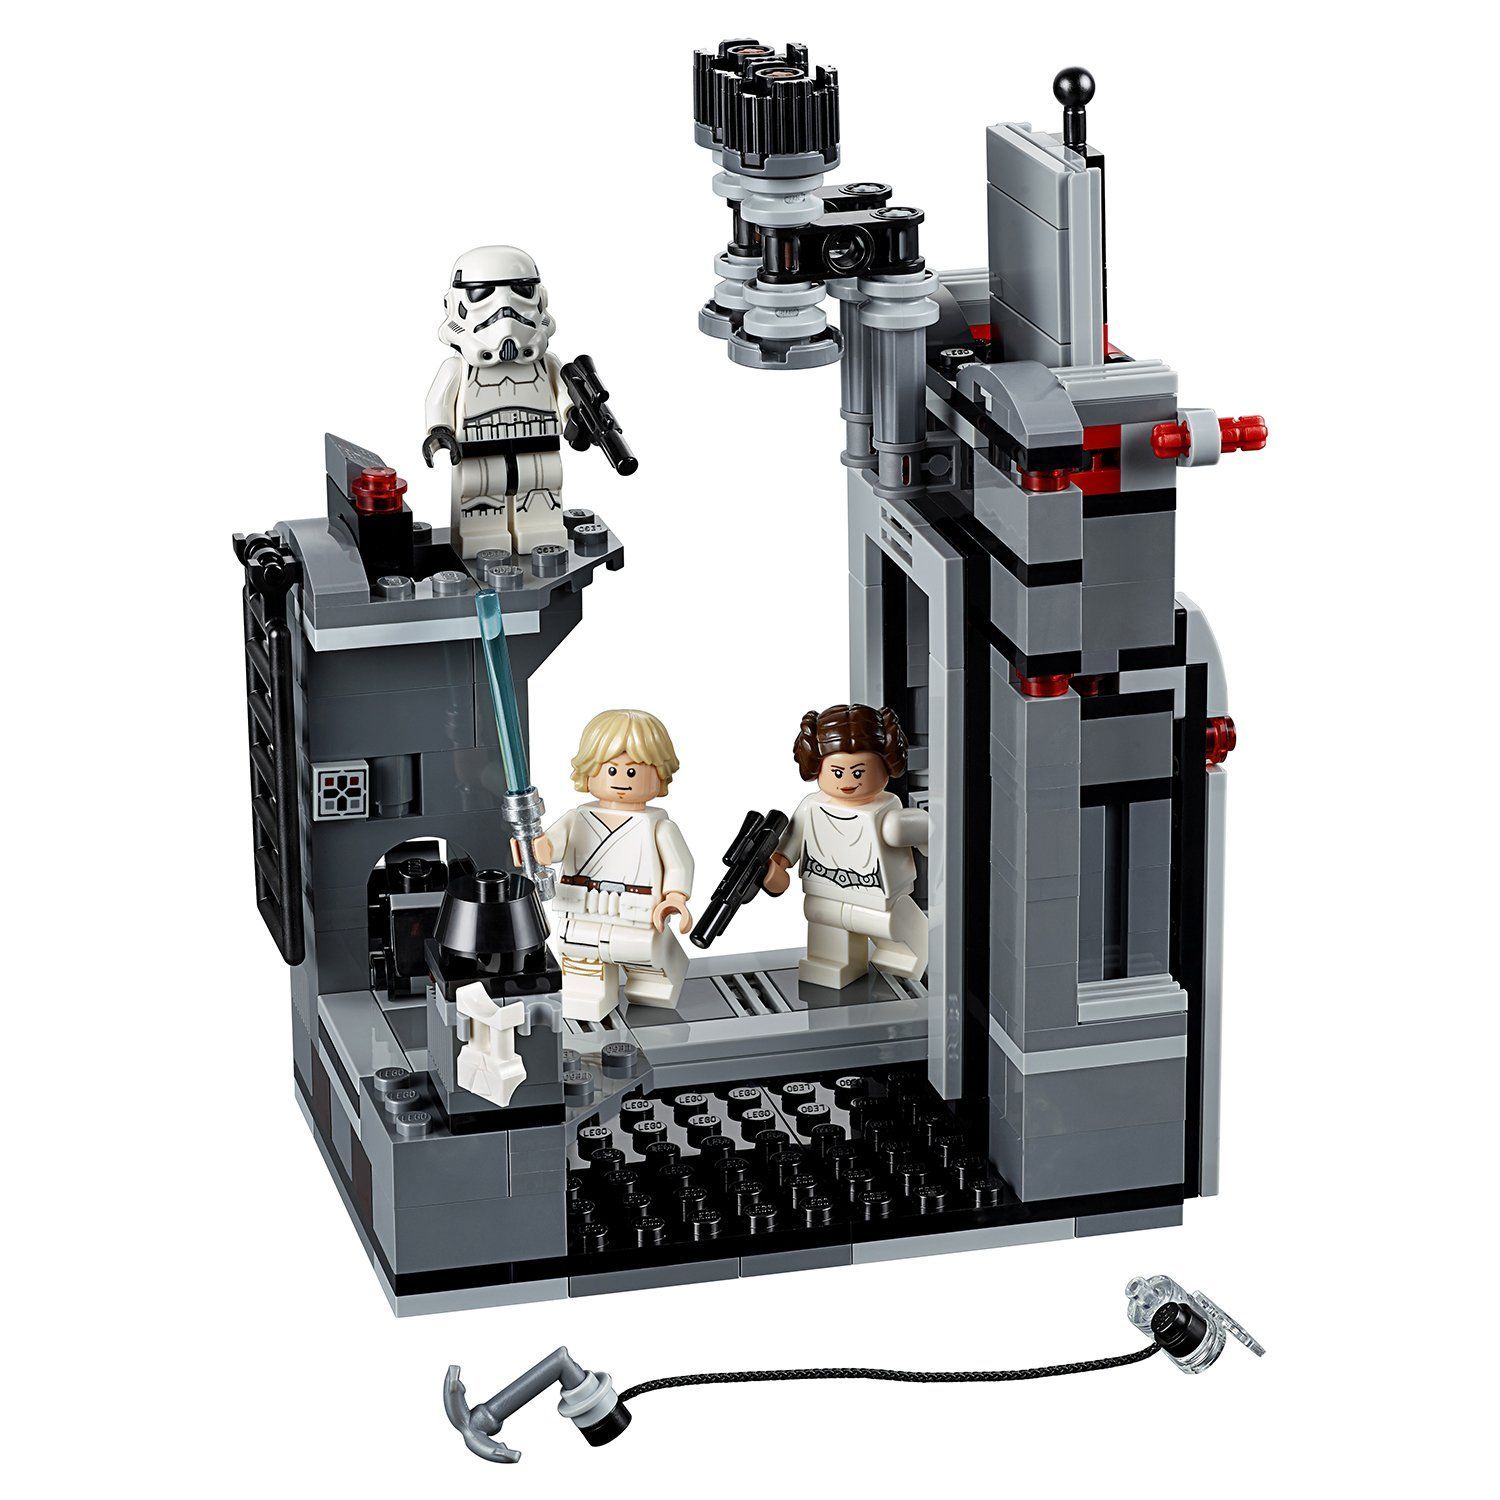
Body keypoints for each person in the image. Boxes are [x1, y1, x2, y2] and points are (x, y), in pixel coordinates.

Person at [516, 709, 694, 1020]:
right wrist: (533, 847)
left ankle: (654, 982)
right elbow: (550, 848)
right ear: (589, 771)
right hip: (582, 905)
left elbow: (679, 865)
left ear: (660, 775)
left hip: (636, 907)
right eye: (612, 770)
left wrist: (675, 897)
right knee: (580, 951)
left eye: (633, 772)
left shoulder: (658, 827)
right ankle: (586, 991)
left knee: (642, 953)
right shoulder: (577, 818)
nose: (622, 780)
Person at [765, 703, 929, 990]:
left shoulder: (887, 810)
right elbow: (785, 854)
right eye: (838, 773)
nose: (848, 782)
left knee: (901, 944)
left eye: (859, 772)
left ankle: (909, 965)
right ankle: (832, 965)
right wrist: (773, 872)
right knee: (828, 950)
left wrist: (924, 832)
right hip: (824, 897)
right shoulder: (811, 807)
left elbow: (928, 832)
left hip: (880, 901)